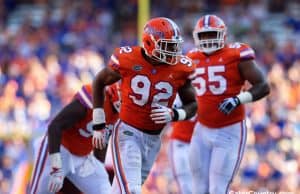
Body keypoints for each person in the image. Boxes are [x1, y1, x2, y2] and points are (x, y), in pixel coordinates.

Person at [91, 17, 198, 194]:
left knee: (121, 190)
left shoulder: (181, 68)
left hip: (154, 139)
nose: (174, 51)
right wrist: (98, 123)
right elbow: (99, 81)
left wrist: (174, 114)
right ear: (149, 43)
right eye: (167, 46)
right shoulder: (127, 58)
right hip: (128, 132)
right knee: (131, 190)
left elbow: (193, 105)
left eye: (175, 45)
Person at [187, 14, 270, 194]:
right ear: (196, 37)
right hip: (201, 129)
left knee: (218, 188)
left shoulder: (236, 54)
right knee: (198, 188)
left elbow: (263, 86)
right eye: (204, 35)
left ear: (223, 35)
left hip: (229, 130)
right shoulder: (191, 57)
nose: (208, 39)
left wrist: (238, 99)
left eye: (212, 34)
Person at [30, 83, 120, 194]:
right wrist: (56, 168)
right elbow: (54, 127)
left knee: (104, 190)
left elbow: (102, 141)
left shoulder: (120, 114)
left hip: (82, 157)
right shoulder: (95, 96)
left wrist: (98, 165)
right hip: (58, 148)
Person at [168, 95, 196, 194]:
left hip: (198, 144)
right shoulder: (183, 92)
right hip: (180, 141)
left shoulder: (207, 93)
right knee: (185, 183)